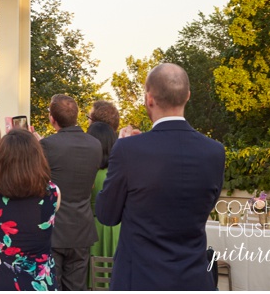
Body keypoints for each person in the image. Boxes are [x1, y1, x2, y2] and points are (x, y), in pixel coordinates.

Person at [96, 63, 225, 290]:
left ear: (149, 99)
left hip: (140, 280)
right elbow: (206, 206)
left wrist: (122, 151)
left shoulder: (128, 150)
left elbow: (107, 214)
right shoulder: (214, 151)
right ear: (187, 96)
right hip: (194, 280)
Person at [0, 128, 60, 291]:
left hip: (2, 280)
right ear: (37, 158)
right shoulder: (53, 193)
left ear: (0, 159)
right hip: (41, 282)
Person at [39, 94, 102, 291]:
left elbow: (38, 184)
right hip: (81, 228)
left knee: (51, 286)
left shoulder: (47, 145)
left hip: (54, 229)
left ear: (52, 119)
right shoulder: (95, 145)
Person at [86, 121, 119, 288]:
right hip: (116, 229)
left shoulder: (88, 172)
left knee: (92, 280)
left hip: (92, 229)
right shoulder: (117, 171)